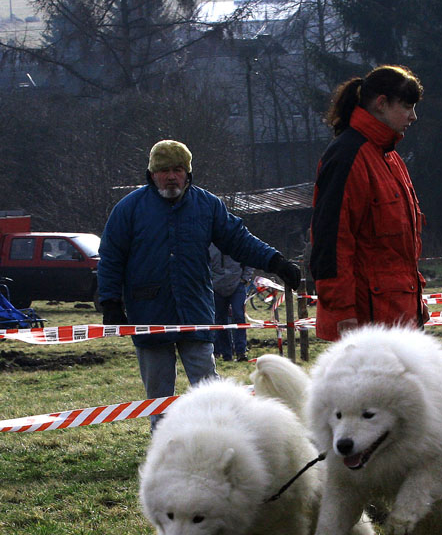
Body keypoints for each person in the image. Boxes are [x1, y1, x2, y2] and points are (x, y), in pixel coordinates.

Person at [98, 139, 302, 430]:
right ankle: (164, 446)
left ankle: (219, 437)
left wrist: (276, 261)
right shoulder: (129, 209)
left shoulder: (208, 205)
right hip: (149, 315)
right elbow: (110, 257)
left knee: (209, 387)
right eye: (164, 170)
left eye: (178, 169)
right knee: (158, 396)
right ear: (152, 173)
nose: (171, 176)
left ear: (188, 173)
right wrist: (110, 302)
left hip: (195, 311)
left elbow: (239, 240)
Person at [309, 65, 427, 342]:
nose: (413, 116)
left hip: (398, 315)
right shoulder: (347, 156)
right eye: (407, 106)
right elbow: (331, 241)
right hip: (366, 322)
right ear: (381, 103)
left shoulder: (390, 158)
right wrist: (343, 313)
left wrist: (416, 306)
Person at [209, 244, 253, 362]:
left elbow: (249, 259)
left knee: (238, 315)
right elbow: (204, 263)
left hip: (237, 284)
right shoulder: (209, 244)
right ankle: (226, 354)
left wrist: (245, 279)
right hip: (216, 286)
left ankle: (241, 352)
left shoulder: (237, 241)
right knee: (220, 321)